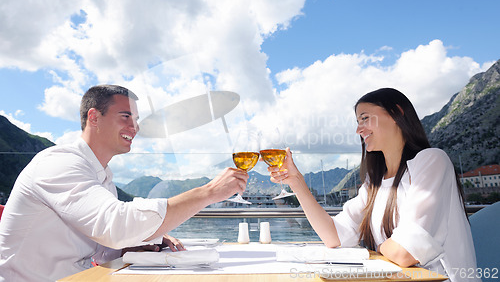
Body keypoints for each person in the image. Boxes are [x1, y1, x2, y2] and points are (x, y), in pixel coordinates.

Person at [0, 84, 248, 281]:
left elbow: (100, 247)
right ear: (94, 118)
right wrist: (208, 192)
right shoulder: (59, 163)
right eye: (126, 116)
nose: (135, 126)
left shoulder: (102, 176)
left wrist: (138, 245)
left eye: (136, 118)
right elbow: (114, 225)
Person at [269, 88, 478, 282]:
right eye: (357, 121)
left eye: (365, 118)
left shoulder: (432, 161)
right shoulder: (374, 183)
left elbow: (405, 252)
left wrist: (377, 246)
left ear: (396, 113)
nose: (359, 129)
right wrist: (297, 183)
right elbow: (334, 237)